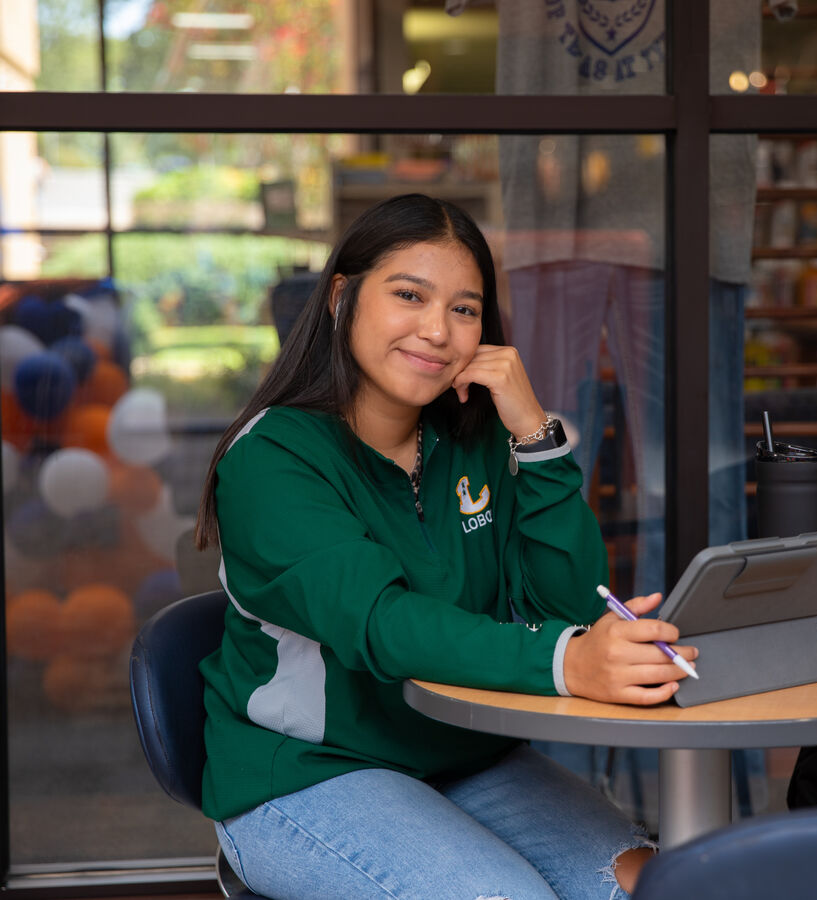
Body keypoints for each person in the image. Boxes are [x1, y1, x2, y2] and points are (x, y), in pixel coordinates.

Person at [194, 193, 698, 900]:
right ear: (343, 297)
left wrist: (533, 433)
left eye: (464, 309)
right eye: (409, 295)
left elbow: (564, 601)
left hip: (469, 756)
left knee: (652, 888)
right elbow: (381, 624)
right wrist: (567, 662)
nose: (437, 330)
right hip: (312, 772)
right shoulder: (273, 460)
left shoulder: (476, 435)